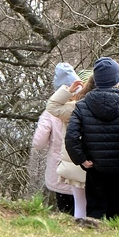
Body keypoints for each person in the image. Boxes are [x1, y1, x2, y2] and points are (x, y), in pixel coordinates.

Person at [65, 58, 119, 220]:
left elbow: (71, 137)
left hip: (94, 167)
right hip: (117, 168)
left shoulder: (83, 104)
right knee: (115, 211)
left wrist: (81, 159)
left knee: (94, 210)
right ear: (116, 79)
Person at [33, 62, 83, 215]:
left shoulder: (50, 113)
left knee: (65, 212)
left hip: (58, 172)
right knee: (83, 210)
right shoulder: (83, 108)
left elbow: (39, 143)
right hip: (82, 171)